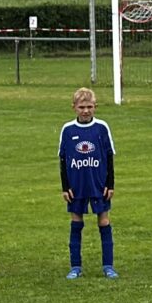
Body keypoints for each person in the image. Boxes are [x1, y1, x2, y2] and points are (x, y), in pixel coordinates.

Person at [59, 86, 117, 280]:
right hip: (77, 185)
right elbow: (62, 159)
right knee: (76, 223)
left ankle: (108, 266)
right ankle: (75, 266)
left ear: (95, 107)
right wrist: (65, 187)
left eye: (89, 106)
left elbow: (109, 157)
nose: (86, 110)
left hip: (99, 184)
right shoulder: (68, 130)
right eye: (82, 107)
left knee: (104, 221)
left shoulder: (102, 128)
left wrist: (110, 183)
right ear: (74, 107)